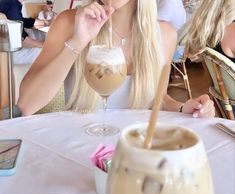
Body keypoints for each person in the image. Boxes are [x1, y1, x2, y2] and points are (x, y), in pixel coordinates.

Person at [18, 0, 215, 118]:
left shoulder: (164, 35)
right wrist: (77, 42)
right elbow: (27, 104)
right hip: (81, 147)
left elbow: (159, 99)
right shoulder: (70, 22)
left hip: (134, 151)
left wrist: (184, 108)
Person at [0, 0, 45, 64]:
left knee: (41, 34)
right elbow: (22, 41)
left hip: (9, 42)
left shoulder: (8, 3)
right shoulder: (11, 3)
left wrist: (40, 22)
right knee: (50, 51)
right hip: (8, 51)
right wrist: (46, 45)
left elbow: (15, 19)